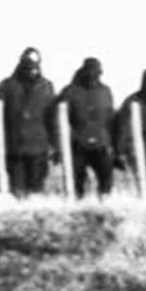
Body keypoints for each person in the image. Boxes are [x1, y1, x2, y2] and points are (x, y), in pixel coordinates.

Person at [0, 47, 57, 197]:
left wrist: (56, 145)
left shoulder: (46, 87)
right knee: (17, 188)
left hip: (39, 147)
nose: (31, 68)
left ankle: (33, 213)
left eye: (34, 63)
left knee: (36, 188)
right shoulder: (6, 86)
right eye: (28, 63)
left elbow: (53, 119)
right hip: (14, 147)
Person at [57, 57, 118, 198]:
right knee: (76, 181)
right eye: (90, 72)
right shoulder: (70, 91)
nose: (92, 76)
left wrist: (112, 143)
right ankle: (77, 205)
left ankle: (104, 203)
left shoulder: (105, 91)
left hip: (101, 144)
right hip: (78, 145)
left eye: (96, 73)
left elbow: (110, 118)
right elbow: (60, 118)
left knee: (106, 178)